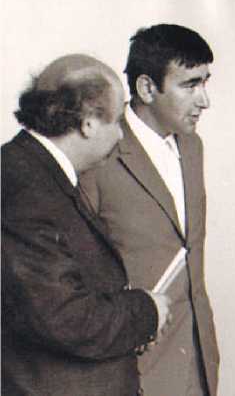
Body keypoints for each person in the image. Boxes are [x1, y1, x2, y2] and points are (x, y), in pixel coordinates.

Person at [2, 54, 171, 395]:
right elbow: (64, 317)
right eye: (118, 121)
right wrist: (147, 311)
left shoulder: (34, 171)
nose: (121, 135)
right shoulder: (25, 185)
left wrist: (128, 328)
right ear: (89, 122)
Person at [79, 24, 220, 396]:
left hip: (198, 365)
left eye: (205, 82)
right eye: (190, 85)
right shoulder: (96, 152)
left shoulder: (193, 147)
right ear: (146, 88)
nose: (204, 100)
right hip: (129, 370)